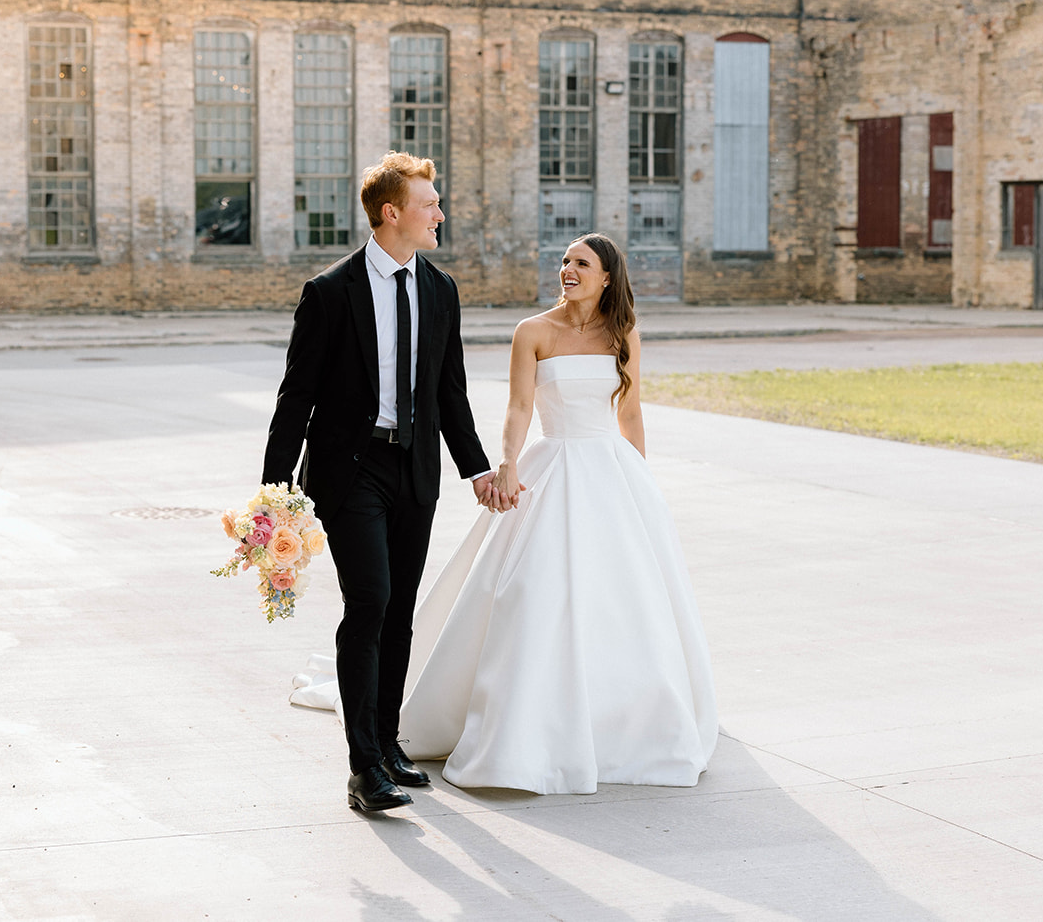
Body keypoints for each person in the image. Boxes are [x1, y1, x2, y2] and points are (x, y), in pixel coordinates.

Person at [397, 233, 718, 794]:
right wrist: (509, 464)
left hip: (612, 472)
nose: (567, 269)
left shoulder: (623, 334)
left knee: (625, 599)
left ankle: (624, 723)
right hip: (552, 467)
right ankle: (529, 725)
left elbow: (632, 411)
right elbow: (520, 405)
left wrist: (641, 479)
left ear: (607, 277)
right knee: (533, 592)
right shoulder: (533, 331)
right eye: (565, 261)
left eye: (581, 263)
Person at [262, 152, 505, 814]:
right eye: (430, 204)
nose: (440, 214)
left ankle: (387, 740)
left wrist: (477, 467)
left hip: (414, 468)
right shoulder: (330, 293)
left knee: (399, 612)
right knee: (368, 601)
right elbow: (296, 399)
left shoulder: (440, 290)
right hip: (351, 470)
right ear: (392, 213)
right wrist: (274, 495)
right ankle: (363, 765)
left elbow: (448, 390)